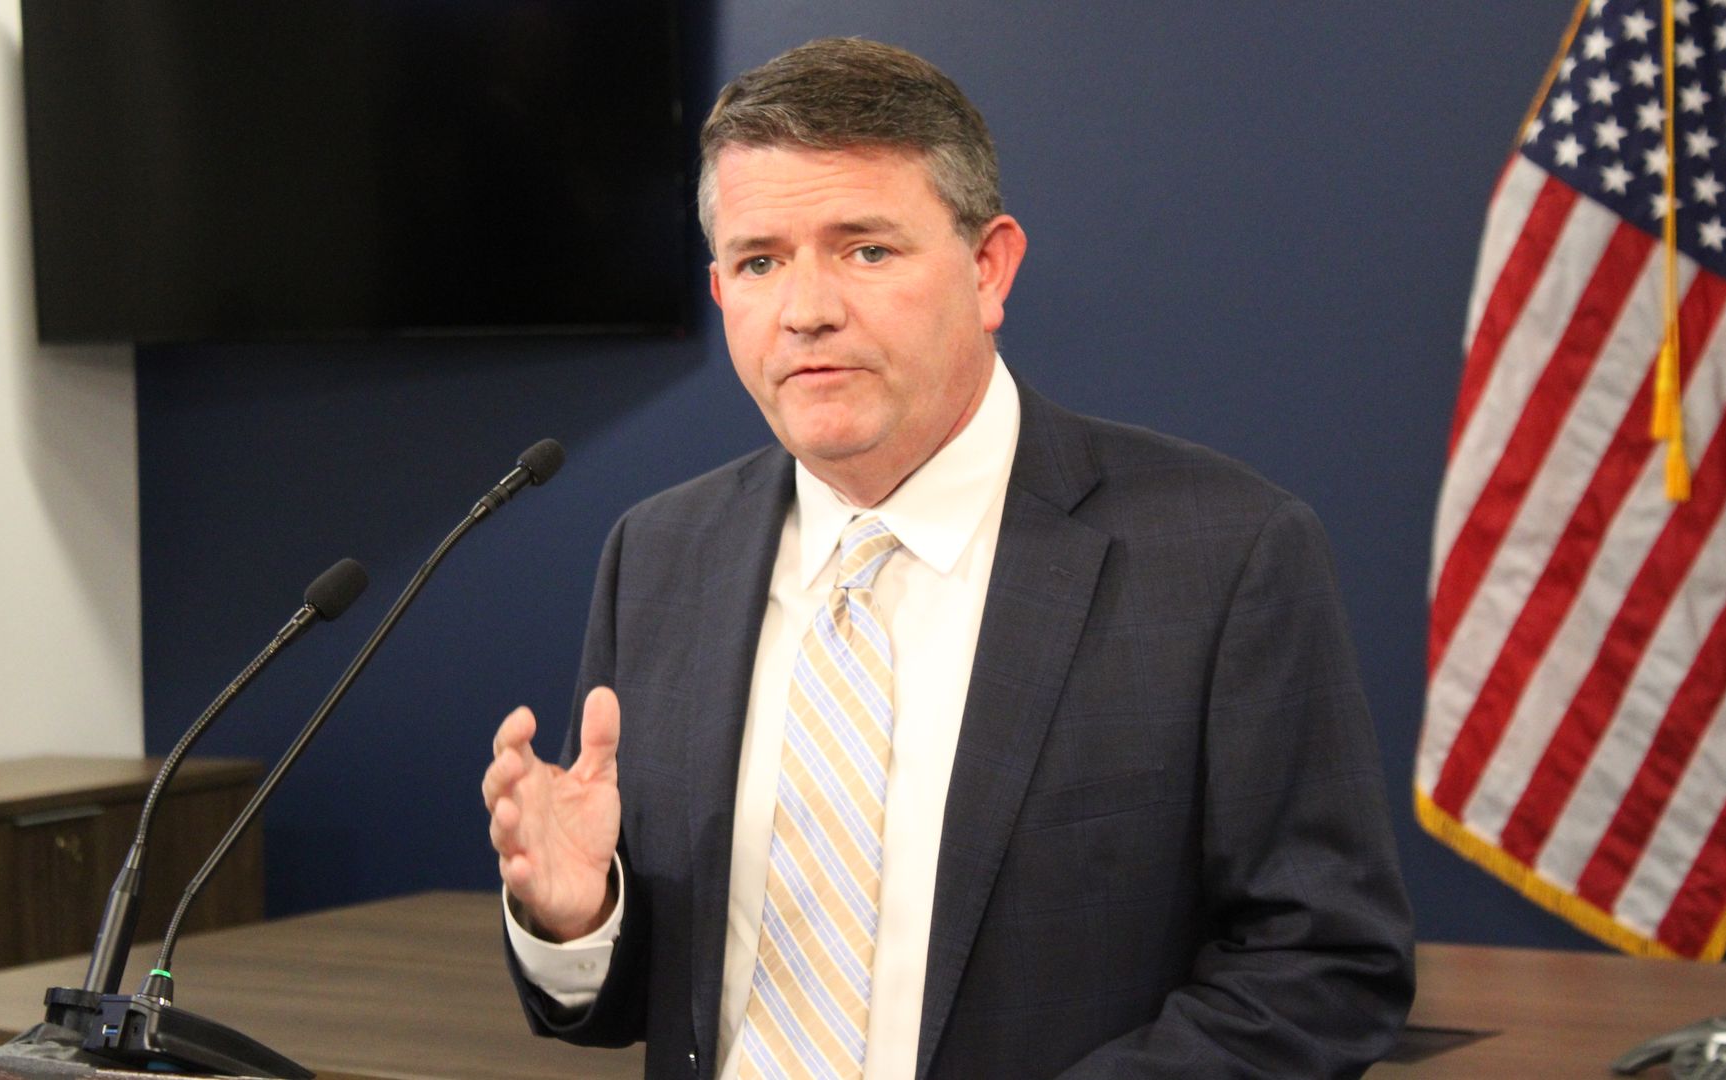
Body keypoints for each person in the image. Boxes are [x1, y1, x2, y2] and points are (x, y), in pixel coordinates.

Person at [482, 37, 1413, 1080]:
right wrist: (579, 920)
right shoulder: (660, 555)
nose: (806, 310)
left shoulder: (1223, 555)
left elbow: (1322, 967)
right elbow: (646, 1004)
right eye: (760, 262)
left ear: (987, 268)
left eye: (866, 250)